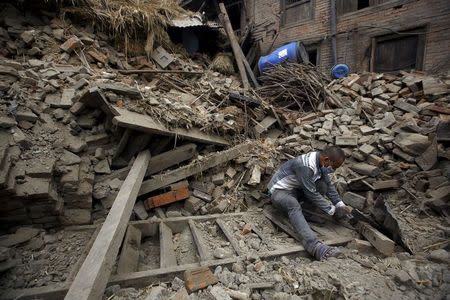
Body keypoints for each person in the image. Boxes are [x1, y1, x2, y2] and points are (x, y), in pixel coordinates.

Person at [267, 146, 352, 260]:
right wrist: (331, 210)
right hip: (279, 192)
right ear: (326, 159)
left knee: (322, 185)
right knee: (293, 204)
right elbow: (311, 193)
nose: (334, 170)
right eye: (334, 166)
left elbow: (328, 185)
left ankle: (304, 213)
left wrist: (340, 205)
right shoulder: (305, 166)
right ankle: (313, 246)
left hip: (296, 190)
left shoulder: (320, 160)